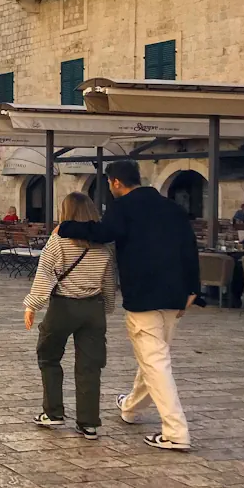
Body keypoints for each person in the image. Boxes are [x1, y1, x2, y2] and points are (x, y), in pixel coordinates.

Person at [57, 160, 199, 451]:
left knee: (156, 361)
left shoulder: (123, 208)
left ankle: (176, 432)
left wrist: (65, 226)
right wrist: (193, 288)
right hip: (175, 295)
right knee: (154, 356)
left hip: (144, 295)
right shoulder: (172, 207)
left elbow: (101, 233)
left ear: (116, 183)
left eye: (110, 184)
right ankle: (132, 407)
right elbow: (189, 246)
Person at [25, 192, 117, 441]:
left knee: (49, 355)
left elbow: (45, 272)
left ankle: (53, 411)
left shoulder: (59, 239)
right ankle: (88, 422)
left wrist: (32, 305)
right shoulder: (105, 243)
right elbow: (109, 279)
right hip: (93, 307)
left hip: (63, 306)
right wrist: (107, 307)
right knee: (90, 365)